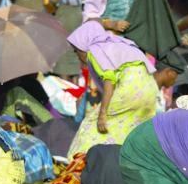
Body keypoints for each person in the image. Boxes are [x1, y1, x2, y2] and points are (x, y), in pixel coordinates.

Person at [67, 20, 160, 157]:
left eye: (77, 50)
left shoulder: (95, 51)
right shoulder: (117, 43)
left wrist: (103, 114)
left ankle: (78, 163)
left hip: (129, 91)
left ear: (84, 44)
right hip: (150, 91)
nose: (77, 55)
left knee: (90, 126)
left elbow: (109, 81)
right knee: (129, 127)